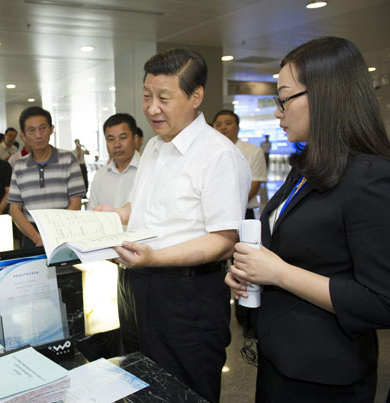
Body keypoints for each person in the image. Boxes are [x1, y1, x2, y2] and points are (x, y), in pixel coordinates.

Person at [226, 37, 390, 402]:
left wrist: (279, 273)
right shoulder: (305, 169)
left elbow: (381, 301)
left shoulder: (369, 176)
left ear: (325, 96)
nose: (278, 112)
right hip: (279, 358)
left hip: (325, 376)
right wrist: (248, 272)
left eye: (284, 99)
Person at [95, 48, 250, 403]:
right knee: (138, 381)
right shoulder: (153, 147)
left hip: (186, 297)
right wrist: (119, 214)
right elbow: (150, 206)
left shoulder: (219, 155)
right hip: (136, 284)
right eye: (148, 96)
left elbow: (224, 239)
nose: (151, 108)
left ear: (196, 96)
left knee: (183, 389)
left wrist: (155, 258)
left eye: (164, 97)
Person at [8, 106, 85, 248]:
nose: (38, 135)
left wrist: (53, 235)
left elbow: (76, 202)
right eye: (32, 130)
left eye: (43, 128)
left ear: (51, 129)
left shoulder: (68, 159)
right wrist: (38, 238)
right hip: (31, 235)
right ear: (23, 135)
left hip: (64, 233)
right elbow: (14, 208)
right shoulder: (19, 166)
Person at [213, 109, 267, 219]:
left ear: (238, 127)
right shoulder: (208, 151)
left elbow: (255, 184)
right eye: (218, 124)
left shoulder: (254, 151)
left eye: (228, 123)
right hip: (213, 211)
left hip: (243, 211)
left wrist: (230, 206)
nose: (223, 127)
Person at [87, 113, 140, 211]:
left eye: (123, 137)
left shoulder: (147, 171)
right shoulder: (100, 175)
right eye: (111, 139)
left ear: (135, 139)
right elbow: (91, 212)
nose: (117, 144)